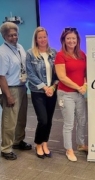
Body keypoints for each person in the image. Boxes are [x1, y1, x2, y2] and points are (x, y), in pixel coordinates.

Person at [55, 27, 88, 162]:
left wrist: (84, 85)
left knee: (82, 121)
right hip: (66, 94)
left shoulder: (82, 54)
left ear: (77, 40)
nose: (71, 41)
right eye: (68, 38)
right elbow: (62, 77)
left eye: (73, 38)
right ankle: (69, 149)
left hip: (79, 94)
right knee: (69, 123)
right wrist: (78, 87)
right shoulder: (60, 55)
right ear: (64, 40)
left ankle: (80, 144)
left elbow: (85, 74)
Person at [0, 22, 32, 160]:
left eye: (15, 34)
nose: (14, 37)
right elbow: (1, 77)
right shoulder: (2, 52)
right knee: (9, 121)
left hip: (22, 87)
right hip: (10, 89)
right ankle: (6, 148)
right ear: (4, 36)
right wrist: (8, 96)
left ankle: (18, 141)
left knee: (21, 118)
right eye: (10, 35)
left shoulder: (19, 47)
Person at [26, 27, 57, 159]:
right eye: (40, 37)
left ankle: (45, 143)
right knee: (43, 119)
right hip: (38, 91)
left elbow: (58, 73)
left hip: (52, 91)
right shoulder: (30, 54)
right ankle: (38, 143)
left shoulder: (54, 53)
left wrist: (53, 88)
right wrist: (45, 88)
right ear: (36, 39)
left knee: (49, 120)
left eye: (45, 37)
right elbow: (30, 74)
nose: (43, 39)